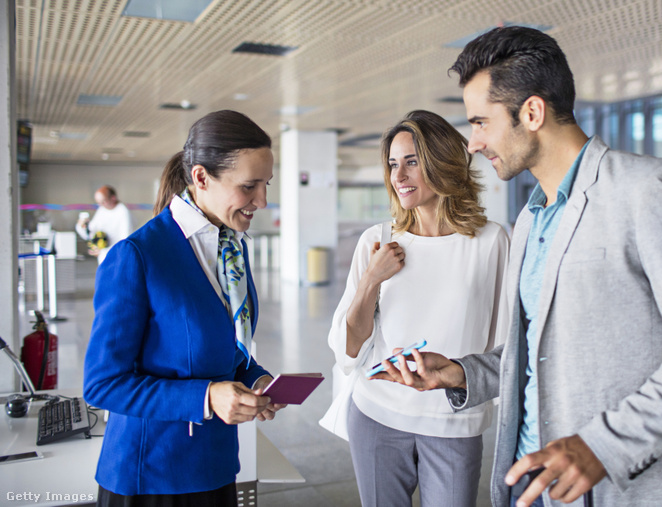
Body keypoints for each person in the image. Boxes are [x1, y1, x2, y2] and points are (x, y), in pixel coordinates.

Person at [374, 27, 662, 507]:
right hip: (532, 487)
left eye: (481, 123)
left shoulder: (649, 190)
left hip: (624, 489)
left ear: (531, 113)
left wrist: (602, 448)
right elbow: (538, 352)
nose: (473, 143)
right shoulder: (531, 219)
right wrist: (461, 373)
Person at [83, 110, 285, 506]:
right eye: (249, 186)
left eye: (266, 185)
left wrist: (257, 379)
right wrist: (207, 398)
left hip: (215, 465)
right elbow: (103, 384)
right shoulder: (137, 257)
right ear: (201, 178)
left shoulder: (231, 249)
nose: (261, 200)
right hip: (152, 477)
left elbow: (227, 347)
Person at [327, 110, 509, 507]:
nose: (399, 176)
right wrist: (372, 279)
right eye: (393, 164)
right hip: (377, 416)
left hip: (453, 421)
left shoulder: (492, 242)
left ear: (442, 162)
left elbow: (505, 343)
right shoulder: (376, 241)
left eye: (412, 161)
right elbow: (348, 347)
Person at [75, 185, 133, 264]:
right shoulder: (102, 210)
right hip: (103, 260)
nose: (101, 205)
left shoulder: (123, 212)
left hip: (116, 260)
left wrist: (102, 251)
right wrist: (82, 227)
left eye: (104, 202)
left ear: (113, 198)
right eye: (99, 203)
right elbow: (90, 235)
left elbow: (124, 242)